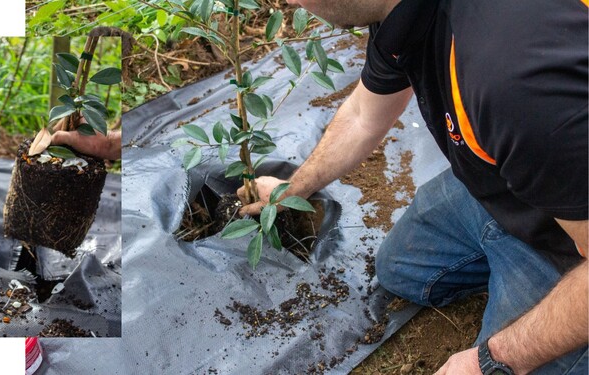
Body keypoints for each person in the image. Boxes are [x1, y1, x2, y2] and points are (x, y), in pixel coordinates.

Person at [237, 0, 588, 373]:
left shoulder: (515, 80)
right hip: (507, 187)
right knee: (399, 269)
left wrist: (494, 358)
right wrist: (291, 190)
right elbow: (362, 117)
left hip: (569, 248)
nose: (287, 2)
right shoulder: (400, 13)